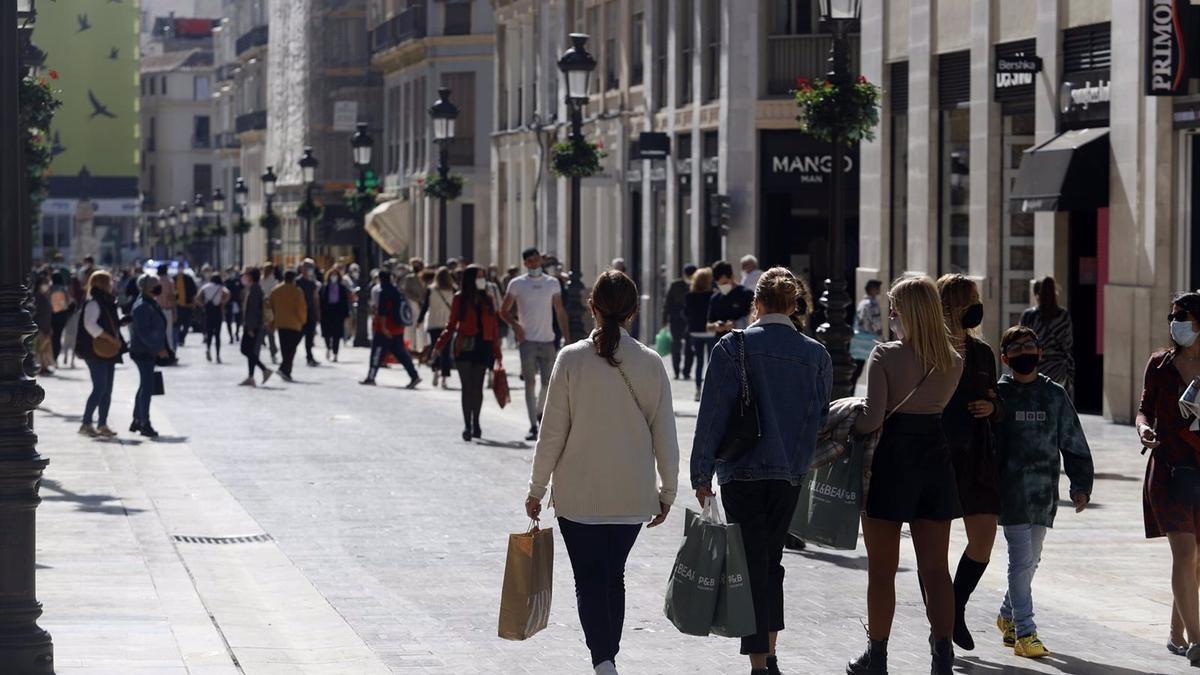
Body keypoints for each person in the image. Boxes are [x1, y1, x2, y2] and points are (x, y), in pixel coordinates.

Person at [525, 270, 678, 675]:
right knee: (614, 577)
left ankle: (603, 660)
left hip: (579, 495)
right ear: (632, 312)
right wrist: (668, 490)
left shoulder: (571, 359)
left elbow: (552, 432)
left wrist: (536, 488)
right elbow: (665, 433)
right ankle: (608, 653)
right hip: (631, 495)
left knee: (589, 580)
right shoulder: (649, 362)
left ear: (591, 307)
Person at [692, 268, 831, 675]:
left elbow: (712, 415)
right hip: (789, 472)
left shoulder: (730, 348)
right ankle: (768, 652)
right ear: (793, 305)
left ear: (757, 303)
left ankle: (760, 662)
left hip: (742, 470)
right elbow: (820, 418)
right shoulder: (816, 355)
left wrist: (701, 473)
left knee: (751, 563)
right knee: (771, 561)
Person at [848, 275, 964, 675]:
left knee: (881, 570)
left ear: (905, 313)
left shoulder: (884, 356)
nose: (890, 317)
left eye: (894, 310)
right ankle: (942, 657)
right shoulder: (953, 361)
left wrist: (848, 417)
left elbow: (872, 420)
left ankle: (876, 656)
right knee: (936, 569)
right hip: (934, 457)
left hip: (891, 460)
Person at [990, 325, 1093, 659]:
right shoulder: (998, 397)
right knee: (1020, 561)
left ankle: (1007, 614)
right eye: (1016, 348)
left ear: (1041, 353)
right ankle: (1025, 631)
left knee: (1032, 560)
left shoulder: (1054, 394)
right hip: (1012, 493)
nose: (1024, 353)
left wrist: (1080, 484)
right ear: (1004, 358)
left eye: (1029, 346)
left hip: (1044, 494)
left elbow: (1073, 441)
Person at [936, 274, 1004, 653]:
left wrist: (992, 406)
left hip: (977, 454)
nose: (978, 304)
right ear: (953, 305)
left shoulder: (982, 352)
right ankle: (942, 629)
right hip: (939, 454)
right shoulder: (929, 349)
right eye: (972, 298)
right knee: (935, 549)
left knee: (984, 536)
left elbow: (997, 398)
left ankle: (956, 605)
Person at [1138, 292, 1200, 666]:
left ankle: (1176, 632)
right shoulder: (1160, 364)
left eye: (1182, 316)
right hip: (1169, 470)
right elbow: (1144, 409)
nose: (1174, 322)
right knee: (1184, 551)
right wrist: (1143, 430)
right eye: (1171, 316)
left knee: (1196, 560)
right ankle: (1197, 641)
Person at [501, 247, 570, 441]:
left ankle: (540, 413)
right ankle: (533, 425)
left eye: (536, 259)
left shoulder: (552, 283)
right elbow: (503, 311)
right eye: (530, 261)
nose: (534, 263)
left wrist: (567, 338)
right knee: (530, 383)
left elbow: (560, 310)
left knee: (548, 383)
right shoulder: (517, 284)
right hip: (527, 341)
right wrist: (516, 327)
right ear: (525, 264)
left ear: (541, 260)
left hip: (548, 339)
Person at [433, 265, 505, 441]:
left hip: (483, 346)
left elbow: (494, 327)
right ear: (470, 278)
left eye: (483, 275)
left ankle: (476, 423)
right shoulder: (460, 299)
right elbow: (451, 324)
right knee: (467, 388)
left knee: (477, 387)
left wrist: (497, 351)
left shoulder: (488, 298)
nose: (482, 279)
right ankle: (467, 425)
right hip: (464, 344)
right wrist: (439, 345)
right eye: (479, 276)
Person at [76, 270, 126, 438]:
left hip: (107, 351)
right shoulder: (93, 303)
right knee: (100, 388)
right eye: (109, 282)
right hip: (95, 351)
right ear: (103, 284)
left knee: (107, 389)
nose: (112, 285)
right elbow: (90, 326)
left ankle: (102, 423)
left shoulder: (106, 302)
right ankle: (86, 422)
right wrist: (111, 339)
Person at [360, 269, 422, 388]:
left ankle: (371, 377)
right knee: (402, 355)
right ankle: (414, 376)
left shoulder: (383, 292)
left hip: (385, 329)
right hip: (398, 327)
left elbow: (382, 312)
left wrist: (383, 328)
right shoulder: (397, 290)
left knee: (376, 353)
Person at [1019, 276, 1075, 399]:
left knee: (1037, 402)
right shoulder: (1063, 316)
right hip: (1058, 368)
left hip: (1035, 366)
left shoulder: (1029, 316)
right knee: (1056, 402)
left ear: (1037, 294)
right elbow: (1068, 343)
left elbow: (1019, 341)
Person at [129, 274, 170, 438]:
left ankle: (138, 419)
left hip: (146, 351)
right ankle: (144, 422)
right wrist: (158, 347)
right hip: (144, 352)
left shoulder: (149, 302)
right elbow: (144, 332)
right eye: (156, 285)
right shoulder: (143, 306)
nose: (159, 287)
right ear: (147, 288)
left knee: (144, 386)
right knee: (147, 388)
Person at [267, 270, 307, 382]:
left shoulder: (276, 291)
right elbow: (301, 308)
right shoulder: (297, 291)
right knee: (291, 348)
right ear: (293, 279)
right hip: (294, 324)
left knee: (285, 348)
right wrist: (303, 320)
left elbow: (270, 307)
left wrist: (271, 322)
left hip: (281, 323)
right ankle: (284, 369)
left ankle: (286, 371)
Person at [421, 267, 457, 388]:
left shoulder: (431, 290)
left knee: (435, 348)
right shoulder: (453, 290)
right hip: (448, 324)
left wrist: (420, 320)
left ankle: (435, 371)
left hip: (433, 323)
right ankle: (444, 378)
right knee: (446, 351)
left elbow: (425, 306)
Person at [684, 267, 716, 401]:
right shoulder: (713, 295)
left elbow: (686, 313)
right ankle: (711, 390)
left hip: (695, 331)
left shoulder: (690, 295)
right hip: (710, 331)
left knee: (699, 362)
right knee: (711, 361)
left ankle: (697, 390)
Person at [238, 266, 273, 386]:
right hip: (254, 325)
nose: (243, 277)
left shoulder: (254, 290)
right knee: (251, 351)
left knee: (245, 349)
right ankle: (251, 377)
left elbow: (253, 310)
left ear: (251, 277)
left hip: (253, 326)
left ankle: (264, 370)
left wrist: (250, 328)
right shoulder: (254, 288)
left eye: (246, 275)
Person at [664, 264, 697, 380]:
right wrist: (665, 318)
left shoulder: (697, 285)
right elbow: (668, 303)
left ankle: (686, 371)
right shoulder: (676, 285)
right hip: (676, 320)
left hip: (690, 321)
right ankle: (677, 371)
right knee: (676, 346)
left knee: (689, 347)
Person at [708, 260, 755, 336]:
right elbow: (708, 325)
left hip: (742, 341)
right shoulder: (715, 298)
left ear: (732, 277)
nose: (723, 286)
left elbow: (755, 319)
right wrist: (715, 326)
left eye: (725, 283)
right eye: (719, 285)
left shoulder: (746, 294)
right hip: (721, 342)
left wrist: (736, 324)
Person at [852, 280, 884, 384]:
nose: (879, 290)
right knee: (875, 365)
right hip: (869, 339)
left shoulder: (862, 303)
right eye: (878, 288)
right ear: (872, 289)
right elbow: (876, 322)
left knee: (858, 366)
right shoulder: (872, 304)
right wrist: (881, 336)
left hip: (860, 338)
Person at [319, 266, 351, 362]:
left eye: (335, 275)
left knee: (337, 334)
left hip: (338, 313)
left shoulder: (342, 288)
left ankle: (335, 353)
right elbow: (321, 300)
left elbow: (345, 301)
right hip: (327, 313)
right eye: (332, 275)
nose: (334, 277)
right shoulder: (324, 287)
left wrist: (346, 314)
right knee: (327, 333)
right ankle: (328, 348)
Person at [197, 273, 230, 363]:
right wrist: (222, 302)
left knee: (209, 333)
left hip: (208, 312)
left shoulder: (206, 286)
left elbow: (198, 297)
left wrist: (203, 305)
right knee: (217, 335)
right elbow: (227, 293)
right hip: (217, 311)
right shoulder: (220, 287)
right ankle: (218, 355)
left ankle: (208, 349)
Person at [297, 259, 321, 367]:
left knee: (309, 337)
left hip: (310, 313)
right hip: (299, 314)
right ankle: (288, 355)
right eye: (306, 267)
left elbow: (315, 298)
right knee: (297, 337)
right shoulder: (297, 282)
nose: (308, 270)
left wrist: (317, 313)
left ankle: (309, 357)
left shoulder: (313, 283)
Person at [403, 258, 427, 354]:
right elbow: (407, 291)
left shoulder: (425, 277)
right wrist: (416, 299)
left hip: (424, 304)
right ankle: (412, 347)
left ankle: (423, 347)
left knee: (423, 326)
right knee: (413, 325)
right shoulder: (409, 278)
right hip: (413, 304)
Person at [48, 271, 73, 363]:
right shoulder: (64, 289)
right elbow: (69, 302)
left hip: (51, 315)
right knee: (58, 336)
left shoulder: (50, 289)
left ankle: (50, 356)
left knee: (51, 336)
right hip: (62, 315)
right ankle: (55, 357)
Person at [33, 275, 55, 375]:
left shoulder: (44, 296)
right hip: (40, 326)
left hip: (45, 325)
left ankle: (44, 366)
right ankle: (41, 367)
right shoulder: (38, 297)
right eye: (44, 283)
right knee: (41, 348)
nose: (47, 285)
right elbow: (39, 313)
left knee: (44, 348)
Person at [260, 261, 279, 363]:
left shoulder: (260, 281)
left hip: (263, 308)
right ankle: (273, 351)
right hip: (270, 308)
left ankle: (272, 350)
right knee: (270, 332)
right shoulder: (274, 282)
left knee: (265, 331)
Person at [175, 266, 198, 347]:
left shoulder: (188, 279)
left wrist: (194, 303)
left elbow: (194, 291)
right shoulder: (174, 279)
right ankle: (179, 339)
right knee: (177, 325)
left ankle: (181, 338)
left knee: (187, 325)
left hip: (188, 306)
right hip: (177, 306)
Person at [157, 264, 177, 351]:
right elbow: (172, 297)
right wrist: (175, 312)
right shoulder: (170, 281)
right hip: (167, 309)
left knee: (158, 332)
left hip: (157, 310)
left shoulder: (155, 281)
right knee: (168, 333)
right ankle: (170, 353)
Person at [224, 267, 243, 344]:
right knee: (228, 321)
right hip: (228, 304)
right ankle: (231, 336)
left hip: (237, 303)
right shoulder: (226, 282)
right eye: (230, 272)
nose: (231, 273)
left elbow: (242, 291)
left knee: (238, 320)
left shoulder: (238, 281)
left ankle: (237, 333)